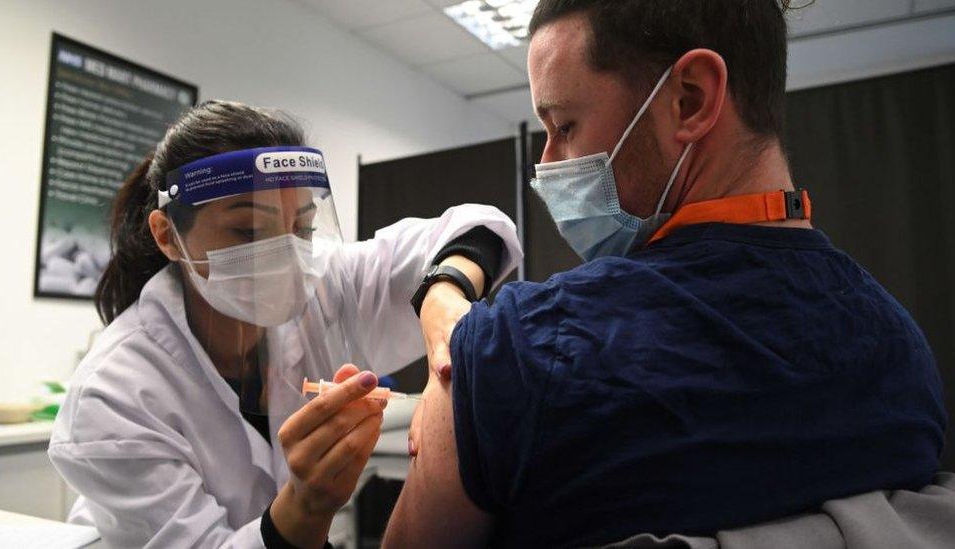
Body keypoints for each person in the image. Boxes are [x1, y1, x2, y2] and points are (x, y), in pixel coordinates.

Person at [383, 1, 948, 547]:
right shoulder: (902, 359)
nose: (549, 163)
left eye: (565, 125)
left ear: (690, 100)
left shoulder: (520, 353)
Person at [48, 100, 522, 548]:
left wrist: (442, 290)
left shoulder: (326, 284)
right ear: (168, 235)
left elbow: (478, 226)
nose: (288, 257)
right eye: (248, 231)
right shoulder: (113, 395)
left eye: (303, 228)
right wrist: (306, 505)